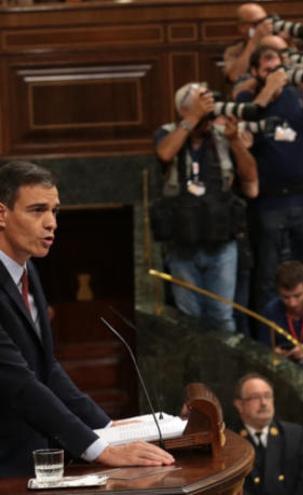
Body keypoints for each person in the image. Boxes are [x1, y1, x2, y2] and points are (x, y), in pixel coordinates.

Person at [0, 161, 174, 475]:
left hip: (34, 459)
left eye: (54, 211)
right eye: (37, 210)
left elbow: (46, 367)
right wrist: (100, 449)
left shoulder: (30, 271)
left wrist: (107, 426)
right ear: (1, 214)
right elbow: (19, 382)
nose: (51, 223)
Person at [153, 83, 258, 332]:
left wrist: (235, 141)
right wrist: (191, 119)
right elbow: (165, 154)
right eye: (200, 108)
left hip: (220, 241)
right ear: (183, 110)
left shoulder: (222, 136)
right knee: (189, 320)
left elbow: (250, 175)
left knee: (222, 316)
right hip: (182, 244)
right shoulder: (168, 133)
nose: (206, 116)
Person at [237, 46, 303, 310]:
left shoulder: (296, 97)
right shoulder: (247, 99)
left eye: (278, 70)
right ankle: (269, 340)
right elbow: (247, 121)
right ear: (255, 71)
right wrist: (268, 90)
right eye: (267, 71)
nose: (275, 75)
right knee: (268, 276)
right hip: (268, 203)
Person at [232, 373, 303, 495]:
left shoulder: (294, 434)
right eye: (255, 397)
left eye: (268, 396)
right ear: (239, 405)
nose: (264, 403)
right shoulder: (231, 442)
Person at [224, 3, 277, 84]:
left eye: (265, 20)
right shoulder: (234, 51)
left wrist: (288, 43)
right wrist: (253, 41)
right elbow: (234, 77)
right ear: (242, 27)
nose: (264, 26)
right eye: (257, 23)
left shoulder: (277, 43)